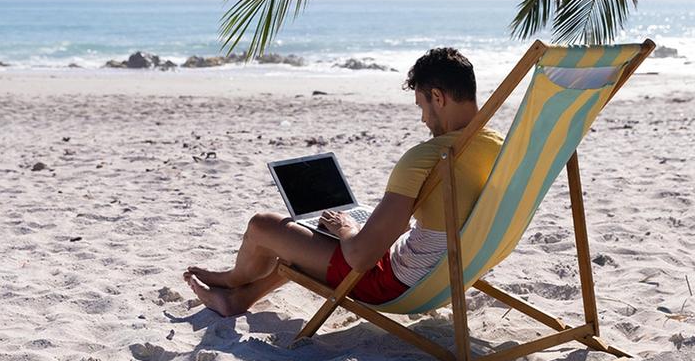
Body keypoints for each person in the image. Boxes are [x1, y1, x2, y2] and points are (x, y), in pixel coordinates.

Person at [184, 48, 503, 316]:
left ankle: (232, 279)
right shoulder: (500, 147)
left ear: (438, 97)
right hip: (452, 272)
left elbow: (361, 258)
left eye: (422, 106)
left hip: (391, 283)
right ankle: (239, 297)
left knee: (263, 225)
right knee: (309, 237)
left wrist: (346, 230)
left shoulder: (427, 157)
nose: (423, 119)